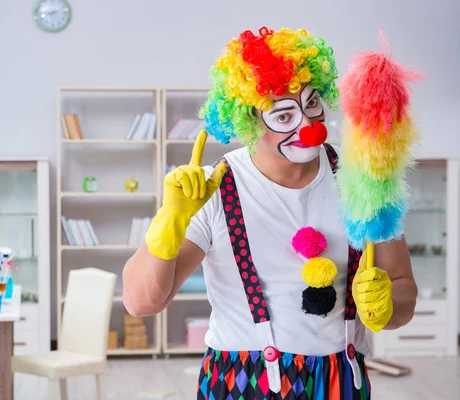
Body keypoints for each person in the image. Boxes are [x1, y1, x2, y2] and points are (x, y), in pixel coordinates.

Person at [122, 26, 417, 399]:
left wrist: (388, 305)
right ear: (246, 122)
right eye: (283, 116)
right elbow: (141, 302)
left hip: (340, 378)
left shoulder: (365, 181)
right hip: (239, 378)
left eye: (311, 104)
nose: (308, 127)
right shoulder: (213, 187)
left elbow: (404, 287)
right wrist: (169, 222)